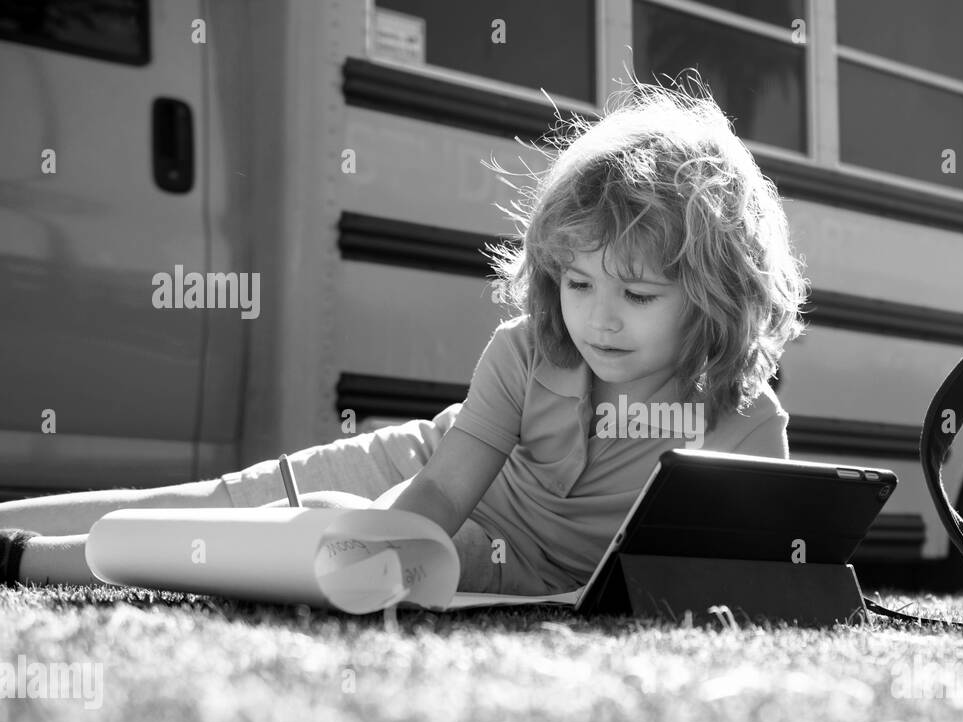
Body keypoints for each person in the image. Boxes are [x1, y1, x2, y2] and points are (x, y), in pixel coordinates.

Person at [0, 78, 808, 597]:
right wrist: (362, 527)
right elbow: (441, 491)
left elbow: (739, 576)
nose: (597, 319)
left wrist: (351, 547)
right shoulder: (527, 349)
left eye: (636, 293)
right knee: (224, 505)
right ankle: (12, 532)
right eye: (576, 282)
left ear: (714, 295)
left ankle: (21, 559)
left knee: (254, 544)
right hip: (424, 475)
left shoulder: (745, 421)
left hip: (487, 554)